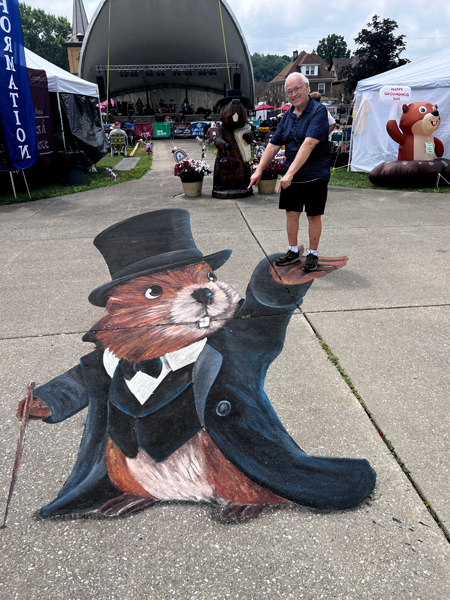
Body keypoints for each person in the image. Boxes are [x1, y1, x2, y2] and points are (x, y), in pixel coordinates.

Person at [248, 73, 330, 272]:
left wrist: (289, 173)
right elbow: (273, 145)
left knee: (313, 216)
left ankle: (312, 254)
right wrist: (259, 170)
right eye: (289, 92)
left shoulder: (318, 112)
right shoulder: (288, 116)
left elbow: (308, 144)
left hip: (314, 173)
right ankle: (293, 251)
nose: (293, 95)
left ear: (307, 87)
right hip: (291, 175)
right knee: (291, 213)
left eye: (297, 89)